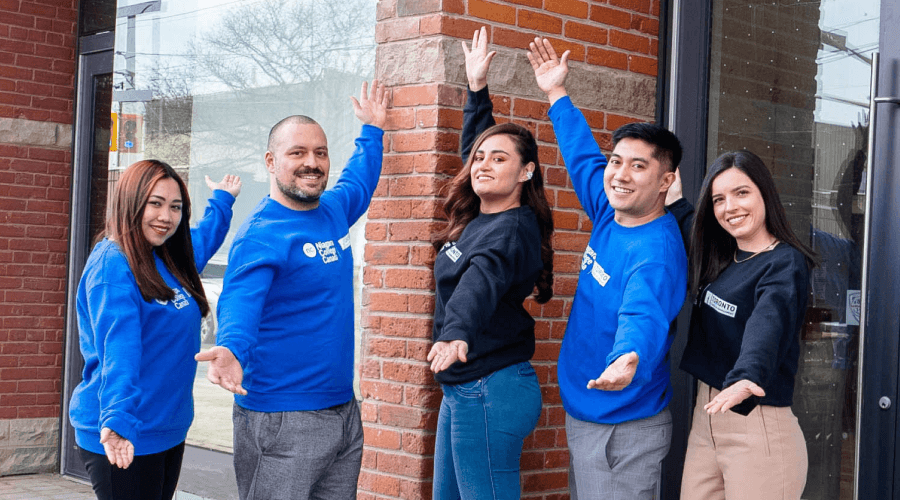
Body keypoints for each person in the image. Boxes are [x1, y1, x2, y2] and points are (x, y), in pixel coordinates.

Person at [194, 80, 388, 500]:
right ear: (271, 160)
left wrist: (372, 131)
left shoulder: (333, 210)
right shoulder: (261, 235)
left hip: (341, 410)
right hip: (282, 416)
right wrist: (230, 349)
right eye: (297, 153)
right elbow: (240, 301)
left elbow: (359, 180)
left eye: (320, 153)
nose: (312, 163)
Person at [527, 38, 688, 499]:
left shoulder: (655, 250)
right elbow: (582, 157)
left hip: (624, 423)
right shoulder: (610, 213)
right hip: (591, 411)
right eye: (617, 161)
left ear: (665, 181)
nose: (620, 174)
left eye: (638, 166)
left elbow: (644, 312)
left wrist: (628, 357)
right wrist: (557, 94)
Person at [427, 27, 554, 500]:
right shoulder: (482, 214)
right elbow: (473, 150)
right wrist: (476, 88)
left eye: (498, 159)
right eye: (479, 158)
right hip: (464, 386)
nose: (482, 164)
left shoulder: (512, 229)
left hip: (489, 387)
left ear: (525, 173)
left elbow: (481, 278)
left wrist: (456, 331)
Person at [69, 160, 241, 500]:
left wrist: (222, 199)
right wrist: (118, 419)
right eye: (155, 203)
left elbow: (203, 239)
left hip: (166, 427)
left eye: (175, 207)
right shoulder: (113, 265)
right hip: (123, 430)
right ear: (131, 202)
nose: (166, 217)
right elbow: (120, 349)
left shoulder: (167, 257)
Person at [677, 150, 814, 499]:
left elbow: (769, 320)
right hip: (706, 420)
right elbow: (692, 225)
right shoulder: (721, 255)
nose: (730, 207)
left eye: (742, 193)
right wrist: (676, 202)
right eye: (719, 199)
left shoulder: (785, 263)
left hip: (757, 423)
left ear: (764, 193)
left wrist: (747, 376)